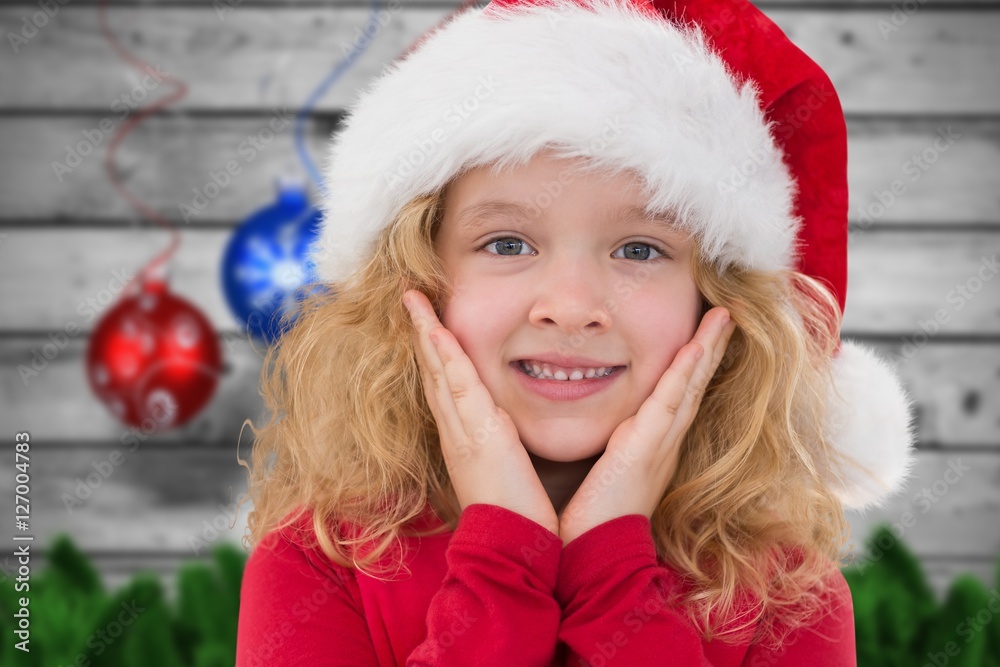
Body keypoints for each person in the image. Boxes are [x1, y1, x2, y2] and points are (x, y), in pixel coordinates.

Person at [234, 0, 917, 664]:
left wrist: (614, 574)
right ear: (412, 283)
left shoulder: (785, 596)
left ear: (720, 304)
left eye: (640, 250)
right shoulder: (320, 562)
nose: (571, 306)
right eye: (506, 243)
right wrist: (502, 558)